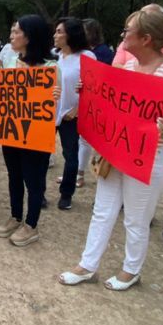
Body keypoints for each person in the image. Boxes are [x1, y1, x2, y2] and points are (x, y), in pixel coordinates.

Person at [58, 8, 163, 290]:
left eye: (127, 31)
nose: (123, 36)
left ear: (145, 38)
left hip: (152, 157)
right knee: (103, 210)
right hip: (118, 152)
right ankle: (87, 265)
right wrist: (89, 90)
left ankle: (131, 270)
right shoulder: (128, 68)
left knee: (136, 218)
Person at [0, 15, 58, 246]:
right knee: (14, 175)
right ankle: (15, 215)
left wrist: (54, 97)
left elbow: (52, 107)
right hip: (11, 131)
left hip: (36, 135)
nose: (12, 35)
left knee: (34, 179)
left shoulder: (50, 68)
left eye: (16, 31)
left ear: (29, 36)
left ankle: (31, 225)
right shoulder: (10, 63)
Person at [53, 18, 95, 209]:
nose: (56, 35)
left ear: (70, 34)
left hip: (71, 114)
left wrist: (76, 110)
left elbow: (93, 87)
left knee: (71, 155)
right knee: (41, 154)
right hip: (50, 113)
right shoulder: (56, 56)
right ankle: (39, 194)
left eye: (60, 31)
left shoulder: (86, 56)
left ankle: (66, 194)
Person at [75, 18, 114, 188]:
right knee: (80, 140)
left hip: (97, 102)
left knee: (90, 139)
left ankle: (85, 173)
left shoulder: (103, 53)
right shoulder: (80, 52)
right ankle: (77, 172)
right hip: (83, 99)